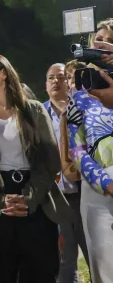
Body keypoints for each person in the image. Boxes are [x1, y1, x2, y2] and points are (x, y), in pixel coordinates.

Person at [0, 53, 69, 283]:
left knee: (40, 274)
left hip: (36, 198)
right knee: (0, 276)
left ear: (3, 73)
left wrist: (28, 197)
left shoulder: (34, 110)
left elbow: (50, 159)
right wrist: (1, 199)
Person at [65, 21, 113, 282]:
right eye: (98, 40)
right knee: (104, 269)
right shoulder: (80, 94)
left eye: (109, 40)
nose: (101, 45)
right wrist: (105, 182)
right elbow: (77, 147)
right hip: (96, 188)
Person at [44, 62, 89, 283]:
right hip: (56, 199)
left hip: (85, 195)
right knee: (64, 261)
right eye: (51, 77)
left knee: (96, 255)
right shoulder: (39, 115)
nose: (56, 81)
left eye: (61, 77)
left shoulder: (81, 110)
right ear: (45, 84)